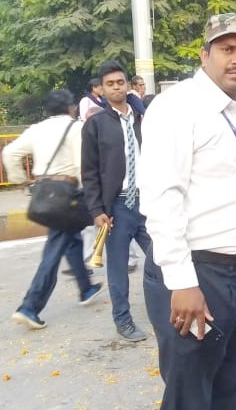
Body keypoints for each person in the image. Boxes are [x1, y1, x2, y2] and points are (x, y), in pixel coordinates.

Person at [138, 13, 236, 409]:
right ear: (204, 54)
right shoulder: (178, 107)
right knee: (190, 398)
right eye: (227, 49)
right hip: (197, 275)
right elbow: (162, 198)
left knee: (228, 392)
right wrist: (182, 283)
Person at [4, 89, 105, 329]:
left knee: (71, 238)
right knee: (55, 247)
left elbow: (9, 153)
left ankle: (86, 288)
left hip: (44, 192)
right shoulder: (76, 128)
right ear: (71, 107)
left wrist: (21, 180)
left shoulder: (37, 129)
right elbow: (82, 165)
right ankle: (30, 306)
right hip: (66, 193)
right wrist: (91, 194)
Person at [81, 60, 152, 342]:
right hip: (118, 207)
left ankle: (169, 310)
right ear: (101, 89)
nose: (116, 88)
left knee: (163, 257)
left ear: (128, 85)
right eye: (109, 84)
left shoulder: (144, 118)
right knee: (119, 268)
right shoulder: (96, 124)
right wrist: (97, 210)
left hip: (148, 203)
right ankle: (123, 321)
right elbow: (89, 172)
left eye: (120, 82)